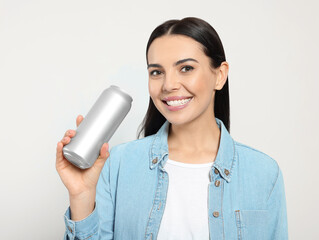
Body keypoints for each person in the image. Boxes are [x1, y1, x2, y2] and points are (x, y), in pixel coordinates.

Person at [56, 17, 288, 240]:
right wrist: (82, 197)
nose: (168, 85)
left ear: (220, 75)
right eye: (157, 72)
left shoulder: (264, 174)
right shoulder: (117, 164)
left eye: (186, 68)